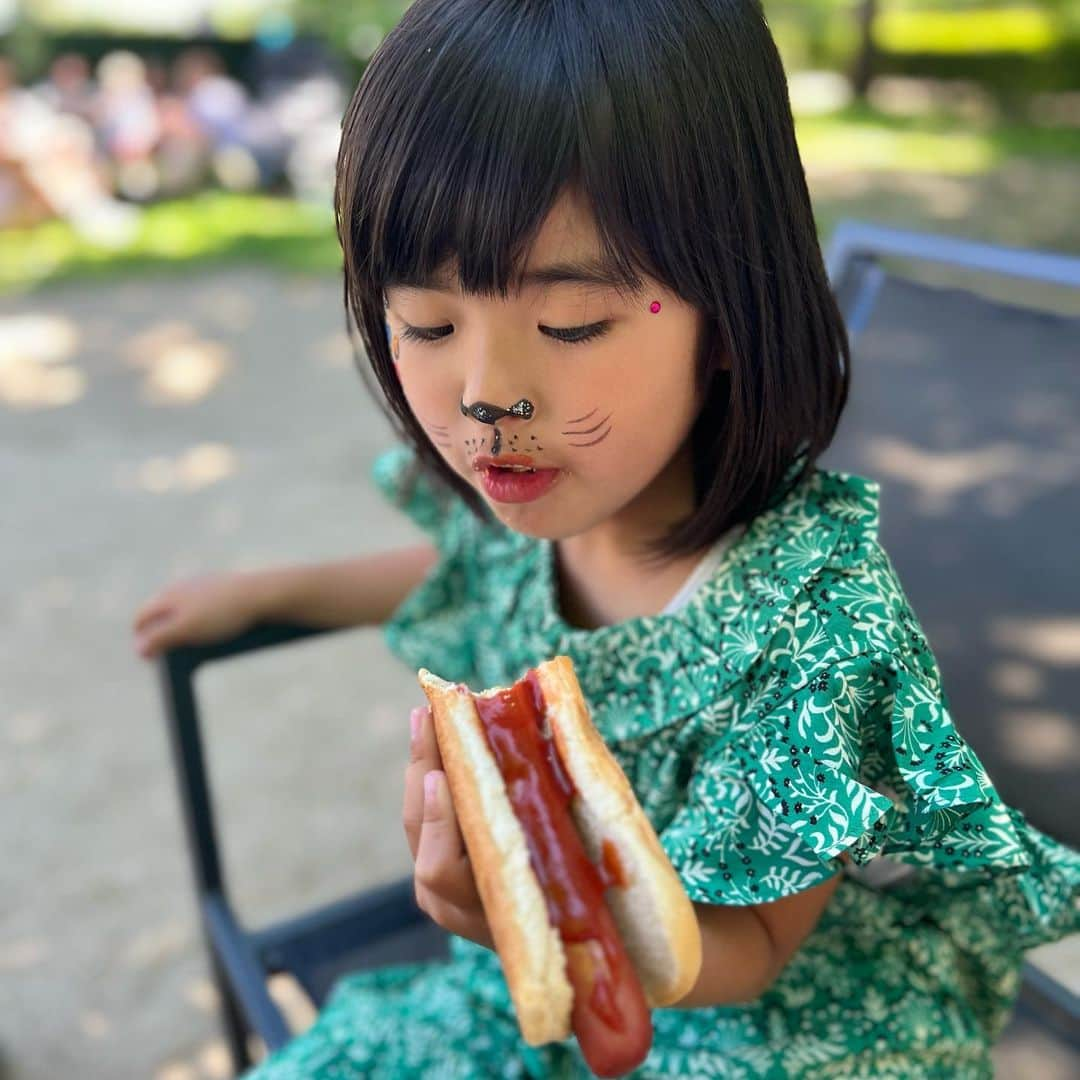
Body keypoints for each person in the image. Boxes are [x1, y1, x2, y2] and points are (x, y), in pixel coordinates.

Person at [132, 1, 1079, 1076]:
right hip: (529, 984)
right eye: (428, 324)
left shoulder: (817, 624)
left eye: (572, 324)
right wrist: (268, 593)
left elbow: (757, 945)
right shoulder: (526, 515)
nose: (490, 398)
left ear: (730, 314)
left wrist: (565, 928)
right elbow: (466, 575)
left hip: (758, 1015)